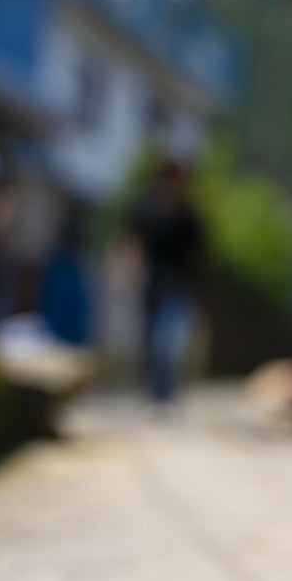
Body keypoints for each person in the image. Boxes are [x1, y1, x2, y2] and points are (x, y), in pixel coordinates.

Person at [129, 161, 204, 404]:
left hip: (179, 285)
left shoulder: (188, 215)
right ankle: (154, 391)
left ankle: (167, 391)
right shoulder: (147, 211)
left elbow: (199, 256)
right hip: (153, 283)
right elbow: (132, 243)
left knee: (170, 343)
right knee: (151, 341)